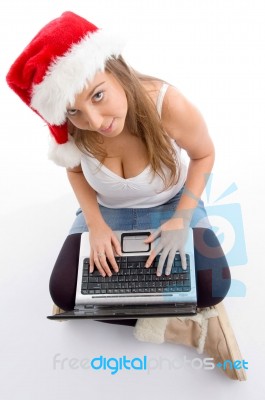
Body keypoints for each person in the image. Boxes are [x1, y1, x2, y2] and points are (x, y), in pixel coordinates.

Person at [6, 11, 246, 380]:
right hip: (109, 211)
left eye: (98, 95)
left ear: (115, 68)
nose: (94, 120)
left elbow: (204, 155)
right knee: (64, 295)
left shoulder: (167, 104)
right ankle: (181, 328)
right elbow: (75, 171)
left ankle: (190, 318)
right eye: (75, 111)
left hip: (171, 204)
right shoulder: (75, 124)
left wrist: (181, 219)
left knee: (215, 283)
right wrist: (97, 225)